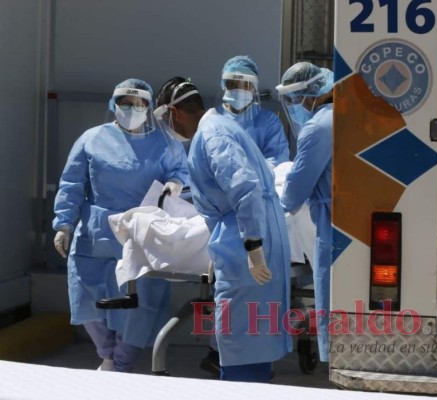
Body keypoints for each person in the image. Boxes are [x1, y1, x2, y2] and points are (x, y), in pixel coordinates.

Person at [154, 77, 292, 383]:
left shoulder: (212, 134)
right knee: (254, 335)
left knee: (240, 336)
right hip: (253, 234)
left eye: (165, 121)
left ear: (174, 113)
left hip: (246, 246)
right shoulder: (221, 128)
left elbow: (244, 188)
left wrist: (253, 247)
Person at [52, 78, 189, 373]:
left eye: (139, 103)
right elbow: (72, 183)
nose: (131, 109)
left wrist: (176, 183)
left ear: (149, 106)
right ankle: (108, 355)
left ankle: (123, 360)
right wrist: (63, 223)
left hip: (141, 233)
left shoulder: (164, 141)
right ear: (113, 105)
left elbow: (181, 170)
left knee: (140, 303)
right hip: (96, 233)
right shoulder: (91, 139)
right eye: (125, 103)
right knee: (88, 295)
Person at [275, 62, 333, 363]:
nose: (296, 106)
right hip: (345, 218)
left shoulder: (318, 128)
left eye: (296, 99)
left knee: (333, 303)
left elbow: (294, 193)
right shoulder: (344, 115)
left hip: (333, 226)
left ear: (311, 94)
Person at [214, 55, 289, 167]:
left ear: (254, 88)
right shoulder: (213, 119)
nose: (239, 90)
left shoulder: (269, 121)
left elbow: (277, 159)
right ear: (224, 86)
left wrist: (249, 177)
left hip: (258, 183)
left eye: (245, 85)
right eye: (233, 85)